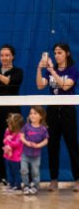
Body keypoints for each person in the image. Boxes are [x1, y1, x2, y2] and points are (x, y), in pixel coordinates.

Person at [35, 43, 79, 191]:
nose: (56, 55)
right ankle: (54, 180)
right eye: (55, 53)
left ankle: (77, 179)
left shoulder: (72, 70)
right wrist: (40, 69)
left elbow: (65, 86)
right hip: (52, 111)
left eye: (59, 52)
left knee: (72, 145)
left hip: (67, 111)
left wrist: (52, 71)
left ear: (67, 53)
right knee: (53, 145)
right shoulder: (49, 71)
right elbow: (40, 85)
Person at [0, 45, 23, 189]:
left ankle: (17, 180)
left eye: (7, 55)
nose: (4, 58)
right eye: (2, 55)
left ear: (12, 56)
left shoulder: (18, 72)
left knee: (14, 147)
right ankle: (2, 178)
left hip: (12, 116)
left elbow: (13, 84)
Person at [21, 106, 49, 195]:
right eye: (31, 113)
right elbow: (21, 136)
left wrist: (38, 145)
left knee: (35, 171)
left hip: (36, 155)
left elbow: (46, 140)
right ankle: (26, 186)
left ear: (41, 116)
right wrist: (27, 142)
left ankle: (36, 186)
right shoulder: (26, 127)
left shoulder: (43, 129)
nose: (32, 115)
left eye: (35, 113)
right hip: (25, 154)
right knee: (23, 170)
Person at [1, 112, 24, 195]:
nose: (8, 126)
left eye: (10, 124)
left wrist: (9, 141)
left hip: (16, 158)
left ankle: (18, 185)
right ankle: (11, 184)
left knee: (16, 172)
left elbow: (16, 144)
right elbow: (4, 140)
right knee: (9, 171)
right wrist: (8, 138)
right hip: (8, 156)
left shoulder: (20, 134)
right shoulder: (8, 132)